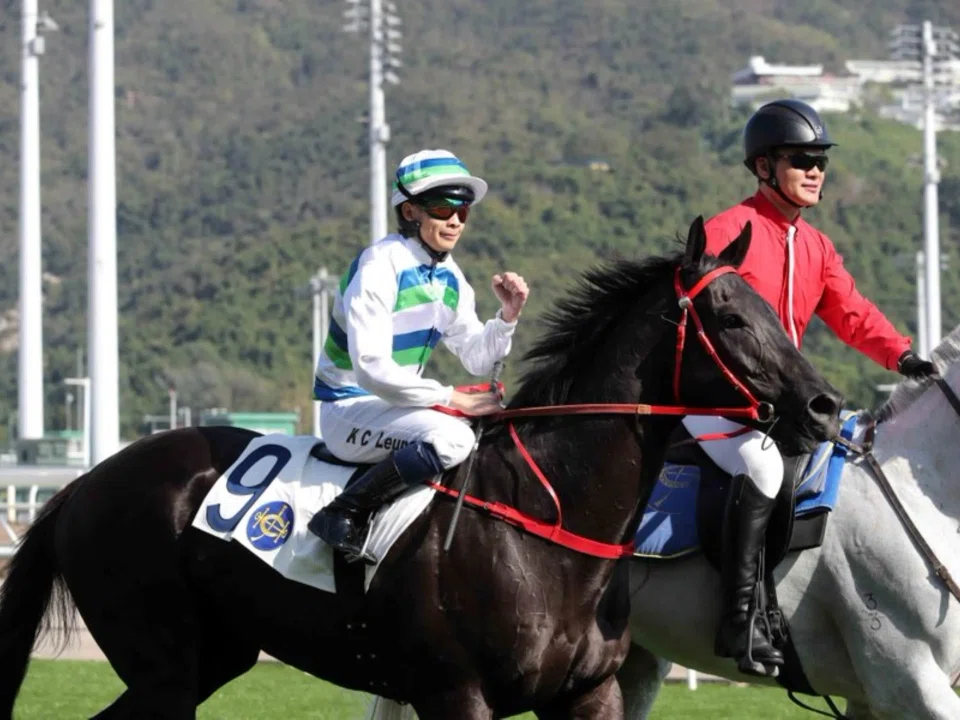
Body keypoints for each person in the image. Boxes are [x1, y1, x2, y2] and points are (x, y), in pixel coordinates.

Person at [690, 99, 936, 676]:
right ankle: (740, 620)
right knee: (763, 470)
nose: (815, 170)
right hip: (722, 404)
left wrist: (901, 355)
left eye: (820, 160)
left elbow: (852, 312)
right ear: (763, 168)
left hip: (783, 407)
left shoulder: (817, 246)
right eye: (802, 159)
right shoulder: (728, 231)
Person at [308, 149, 529, 560]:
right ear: (411, 211)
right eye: (444, 209)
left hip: (394, 408)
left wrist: (506, 318)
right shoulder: (379, 266)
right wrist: (451, 398)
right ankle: (344, 513)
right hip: (348, 410)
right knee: (452, 438)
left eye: (463, 213)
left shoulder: (451, 279)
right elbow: (372, 370)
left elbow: (478, 358)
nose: (455, 222)